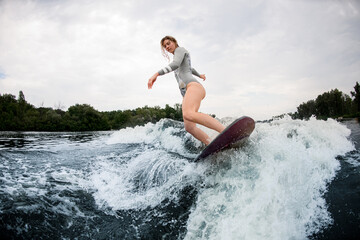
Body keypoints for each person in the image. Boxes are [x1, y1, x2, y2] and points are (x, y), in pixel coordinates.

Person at [148, 36, 225, 145]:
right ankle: (211, 143)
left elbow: (175, 64)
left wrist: (156, 74)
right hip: (188, 92)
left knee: (188, 113)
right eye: (165, 46)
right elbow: (189, 68)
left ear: (174, 42)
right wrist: (200, 74)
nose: (167, 47)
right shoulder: (178, 58)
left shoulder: (180, 50)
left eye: (168, 43)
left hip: (193, 87)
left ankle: (224, 130)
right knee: (189, 127)